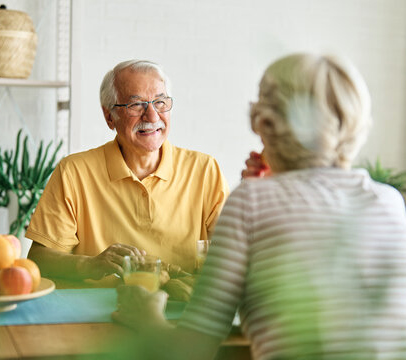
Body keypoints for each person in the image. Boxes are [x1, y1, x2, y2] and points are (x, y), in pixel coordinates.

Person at [113, 53, 406, 360]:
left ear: (263, 122)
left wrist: (145, 315)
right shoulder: (390, 203)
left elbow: (190, 351)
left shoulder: (250, 202)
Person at [26, 60, 229, 281]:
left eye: (160, 102)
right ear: (109, 117)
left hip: (181, 308)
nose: (152, 116)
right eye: (136, 105)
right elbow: (40, 260)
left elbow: (235, 255)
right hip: (97, 311)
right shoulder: (73, 172)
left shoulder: (205, 170)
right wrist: (90, 265)